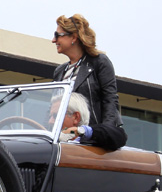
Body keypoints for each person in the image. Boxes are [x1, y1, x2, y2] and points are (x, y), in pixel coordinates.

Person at [51, 14, 126, 148]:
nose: (53, 40)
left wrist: (103, 135)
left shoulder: (99, 62)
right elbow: (54, 108)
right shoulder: (59, 72)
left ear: (73, 37)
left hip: (92, 144)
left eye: (58, 35)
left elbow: (110, 100)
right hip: (64, 143)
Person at [56, 92, 127, 151]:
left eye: (56, 116)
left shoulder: (90, 142)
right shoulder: (51, 140)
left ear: (76, 117)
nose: (50, 121)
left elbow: (120, 136)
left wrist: (79, 131)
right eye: (50, 116)